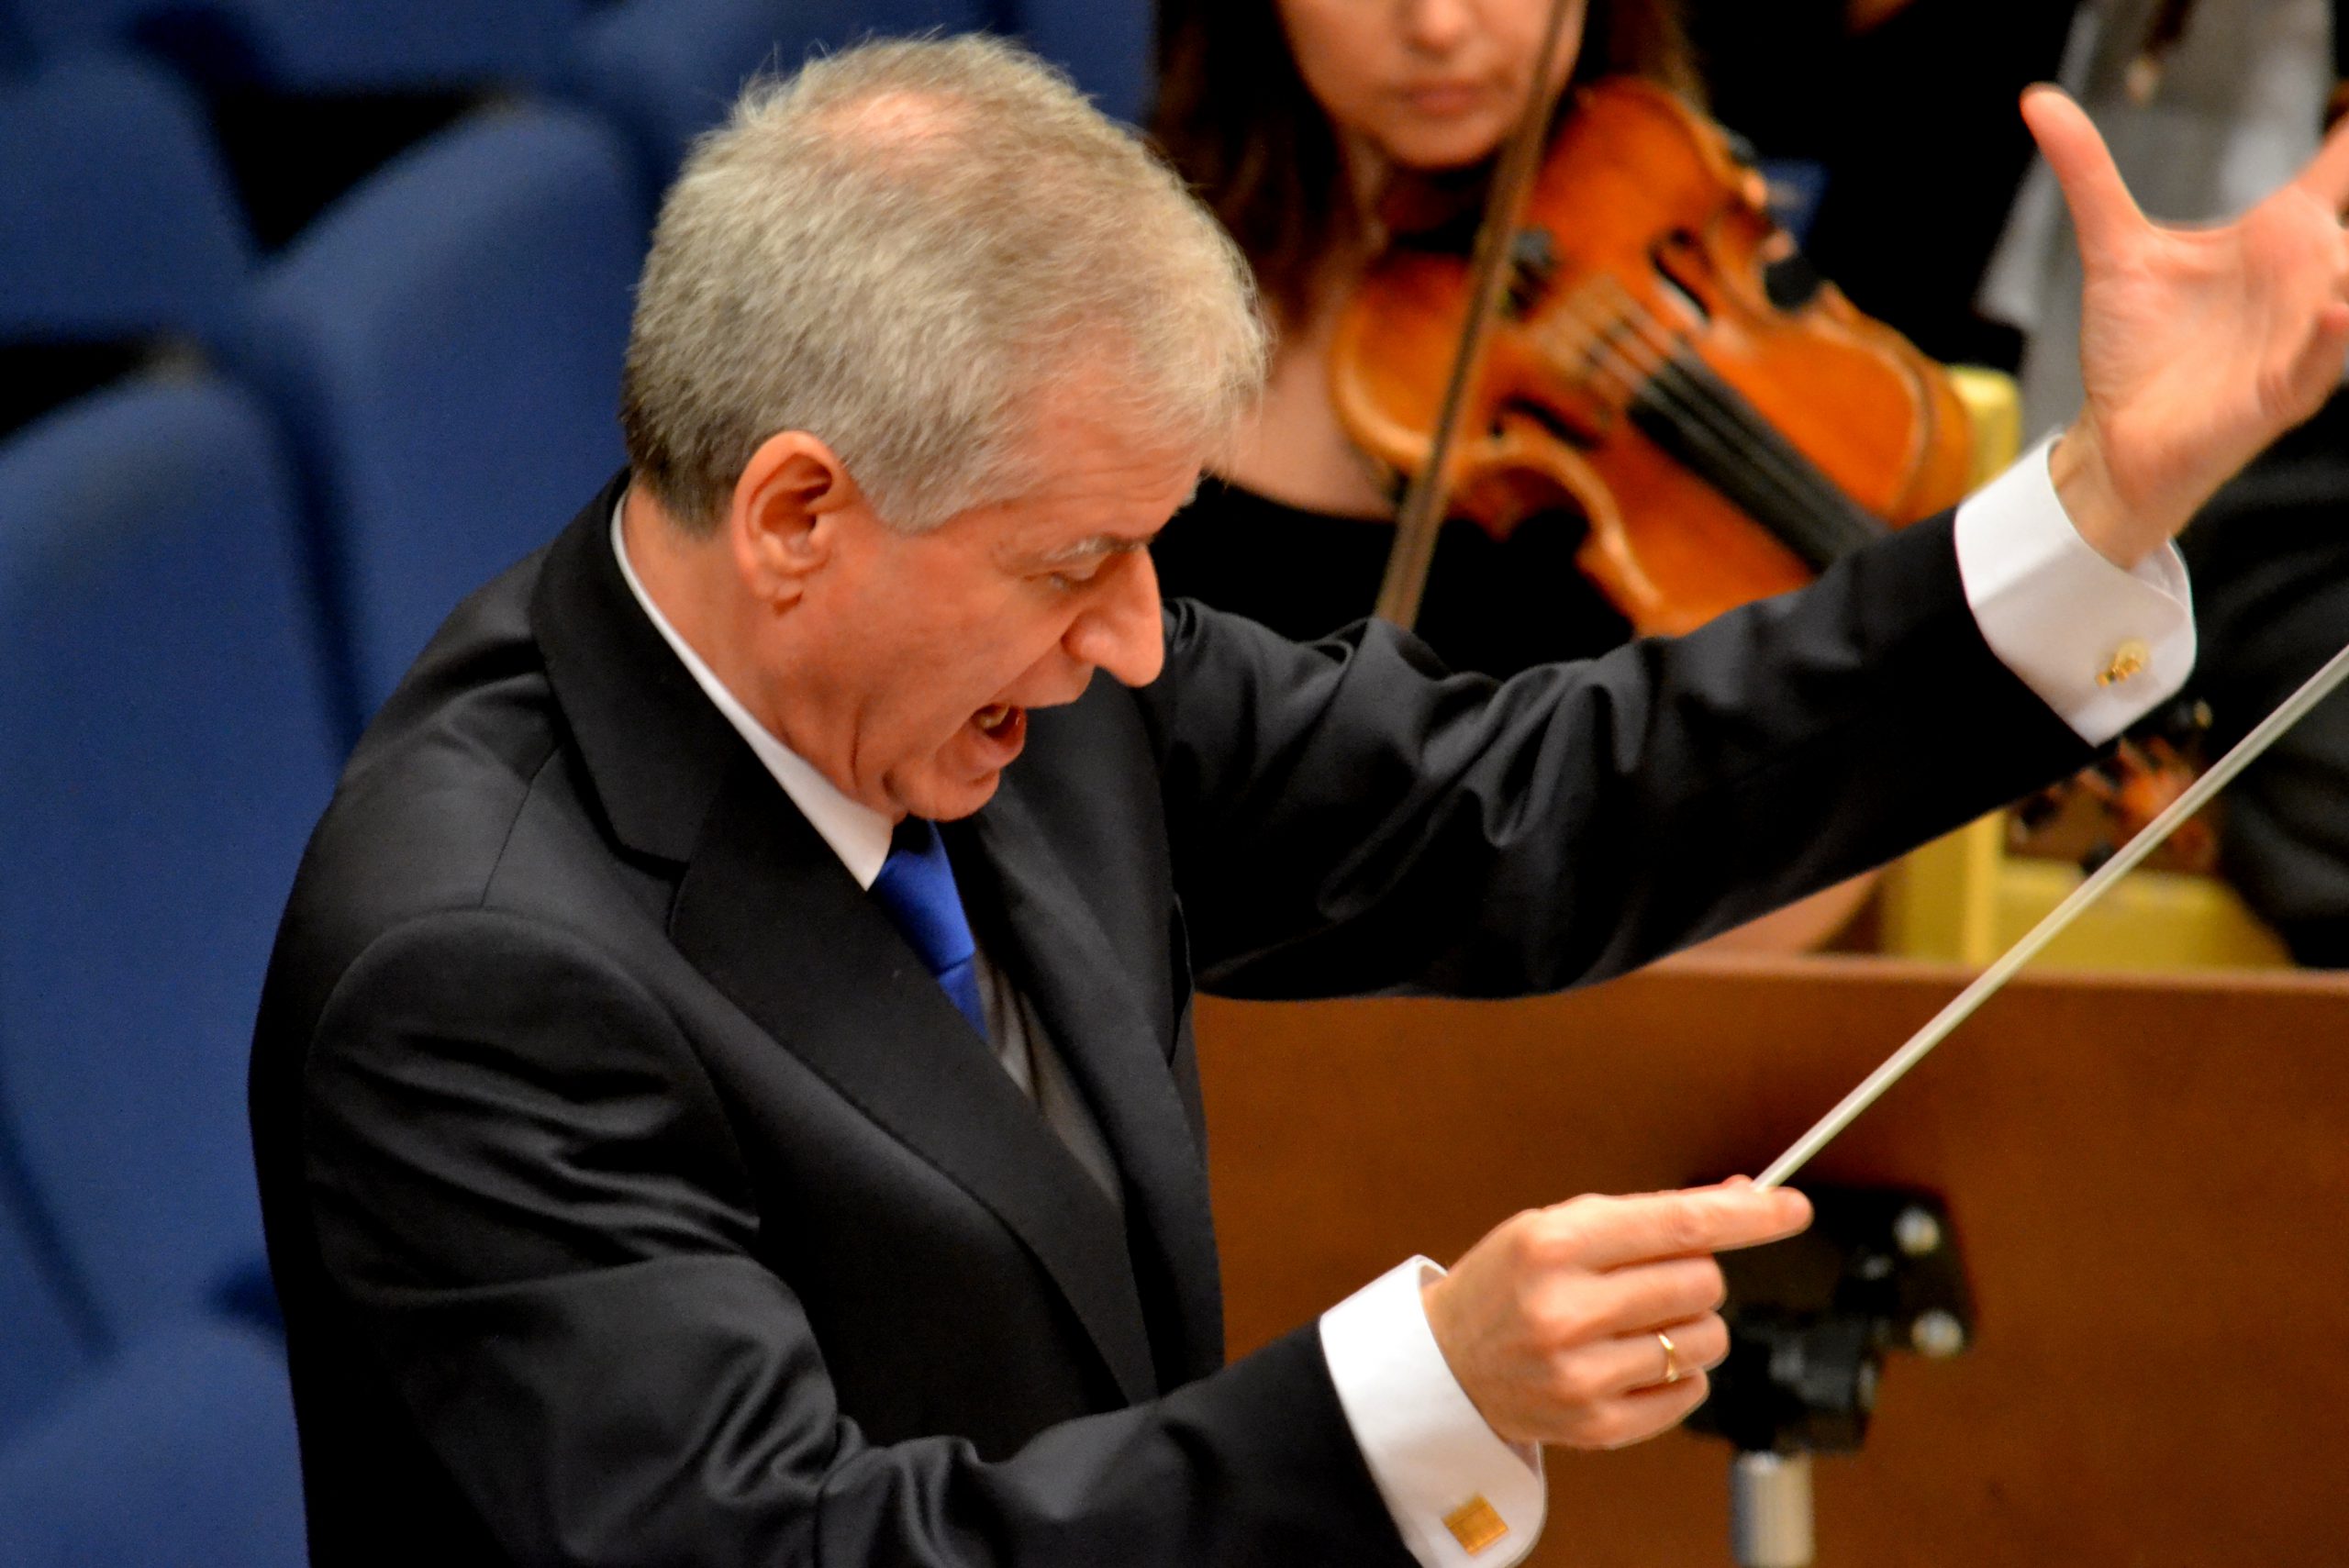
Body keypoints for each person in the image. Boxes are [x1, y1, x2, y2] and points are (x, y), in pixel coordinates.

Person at [249, 30, 2349, 1568]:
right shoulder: (473, 973)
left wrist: (2099, 501)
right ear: (799, 513)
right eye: (1078, 562)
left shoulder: (1018, 666)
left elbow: (1531, 802)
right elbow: (786, 1553)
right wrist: (1418, 1391)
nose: (1138, 643)